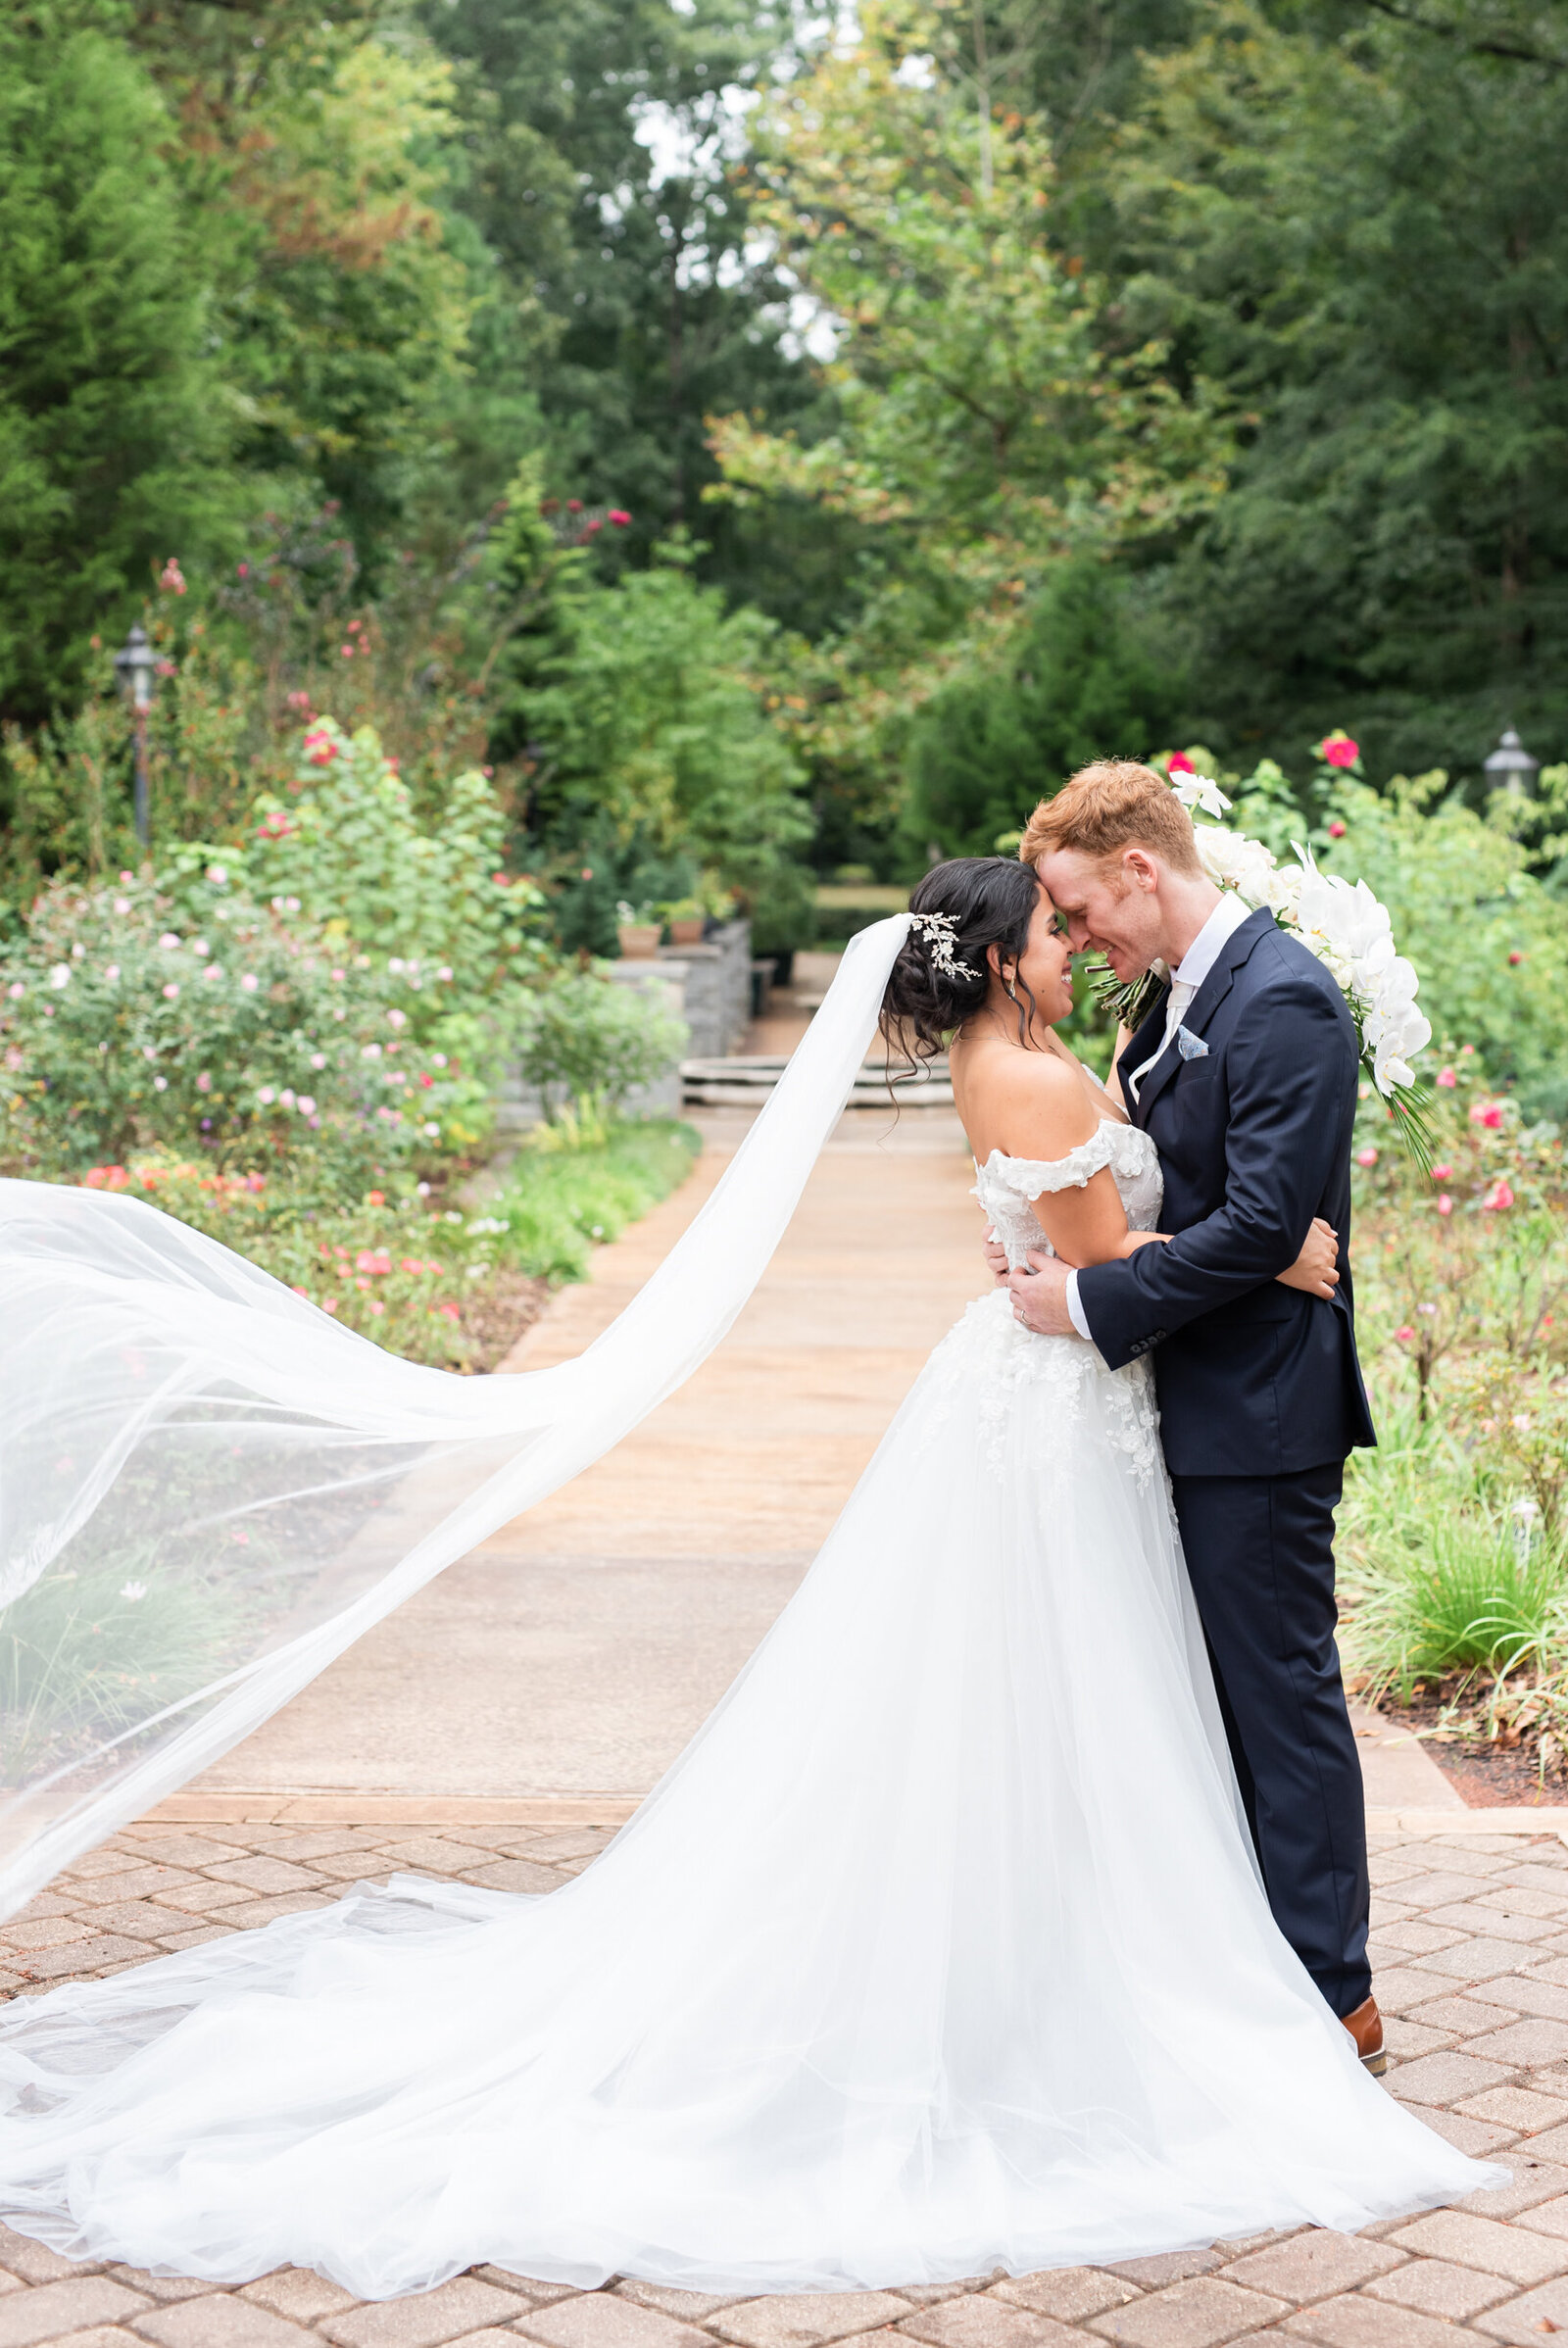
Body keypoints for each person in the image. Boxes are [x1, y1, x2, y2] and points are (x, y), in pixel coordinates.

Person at [0, 864, 1494, 2302]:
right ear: (993, 959)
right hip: (1056, 1415)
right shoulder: (1033, 1077)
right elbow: (1099, 1259)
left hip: (1050, 1399)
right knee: (1064, 1686)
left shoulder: (1042, 1053)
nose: (1073, 946)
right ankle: (1099, 1980)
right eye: (1051, 929)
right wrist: (1265, 1255)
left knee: (1046, 1694)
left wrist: (1138, 1255)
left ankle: (1108, 1955)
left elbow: (1085, 1244)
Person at [998, 760, 1382, 2067]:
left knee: (1279, 1700)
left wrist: (1091, 1304)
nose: (1083, 937)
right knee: (1210, 1704)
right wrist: (1236, 1246)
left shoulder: (1284, 1001)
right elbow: (1232, 1214)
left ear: (1140, 870)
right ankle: (1250, 1971)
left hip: (1263, 1413)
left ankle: (1336, 1995)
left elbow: (1270, 1219)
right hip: (1190, 1394)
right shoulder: (1176, 996)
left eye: (1081, 907)